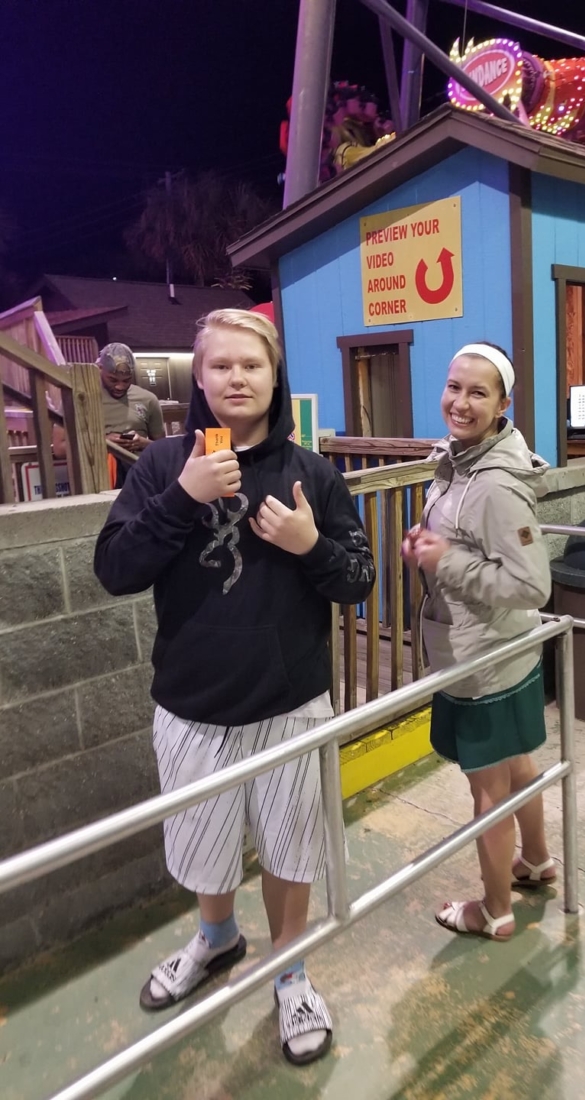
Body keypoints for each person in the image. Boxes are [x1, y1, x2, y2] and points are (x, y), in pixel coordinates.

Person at [94, 309, 375, 1065]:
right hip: (190, 704)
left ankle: (291, 972)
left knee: (292, 849)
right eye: (219, 366)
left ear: (274, 374)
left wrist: (310, 543)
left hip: (291, 704)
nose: (236, 379)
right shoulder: (162, 465)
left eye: (251, 365)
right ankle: (215, 938)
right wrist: (183, 497)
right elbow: (115, 569)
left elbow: (358, 580)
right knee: (201, 847)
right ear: (199, 378)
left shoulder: (312, 472)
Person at [402, 342, 555, 942]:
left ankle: (494, 910)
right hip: (500, 650)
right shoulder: (461, 461)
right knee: (518, 765)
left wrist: (447, 563)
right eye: (453, 387)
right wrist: (435, 548)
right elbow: (468, 545)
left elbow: (530, 584)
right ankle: (537, 861)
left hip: (485, 658)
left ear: (502, 405)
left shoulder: (494, 484)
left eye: (477, 393)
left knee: (487, 790)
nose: (460, 402)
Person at [53, 342, 165, 486]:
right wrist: (103, 443)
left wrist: (142, 443)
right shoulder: (79, 397)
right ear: (100, 369)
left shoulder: (147, 399)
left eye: (126, 381)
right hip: (95, 480)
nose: (120, 386)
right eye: (112, 379)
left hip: (140, 479)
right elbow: (59, 449)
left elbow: (162, 447)